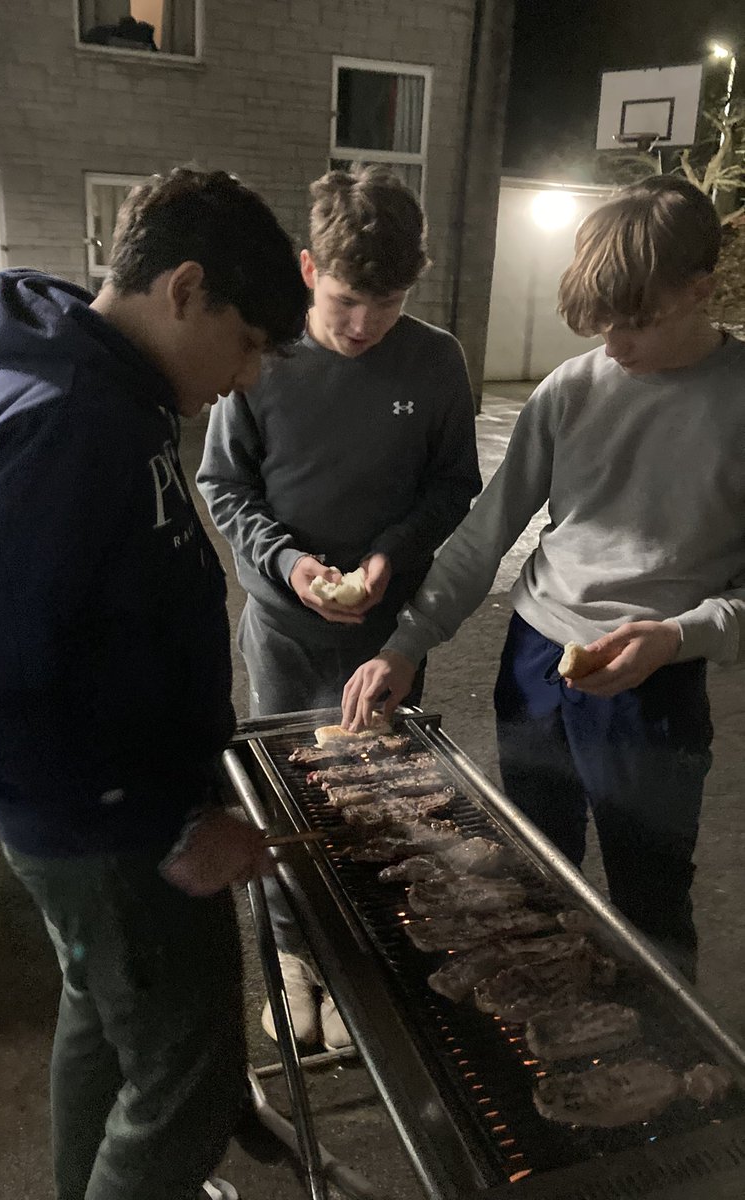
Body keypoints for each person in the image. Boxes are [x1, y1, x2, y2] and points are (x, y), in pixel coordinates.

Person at [0, 168, 309, 1200]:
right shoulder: (71, 422)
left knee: (101, 1019)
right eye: (250, 342)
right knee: (187, 1080)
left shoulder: (109, 395)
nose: (251, 376)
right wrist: (166, 823)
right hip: (112, 841)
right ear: (185, 290)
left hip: (99, 827)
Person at [341, 176, 745, 982]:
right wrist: (407, 643)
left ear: (700, 290)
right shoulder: (572, 388)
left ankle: (667, 1078)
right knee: (531, 868)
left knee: (649, 895)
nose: (614, 347)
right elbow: (486, 532)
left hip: (654, 680)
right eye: (600, 326)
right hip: (534, 661)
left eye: (636, 321)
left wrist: (680, 635)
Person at [197, 165, 481, 1047]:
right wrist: (290, 566)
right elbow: (224, 485)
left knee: (381, 796)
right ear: (310, 268)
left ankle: (365, 956)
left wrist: (392, 556)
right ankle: (293, 955)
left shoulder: (433, 362)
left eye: (388, 303)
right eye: (351, 299)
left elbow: (452, 485)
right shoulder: (262, 356)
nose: (365, 326)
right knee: (289, 801)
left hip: (390, 629)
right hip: (284, 627)